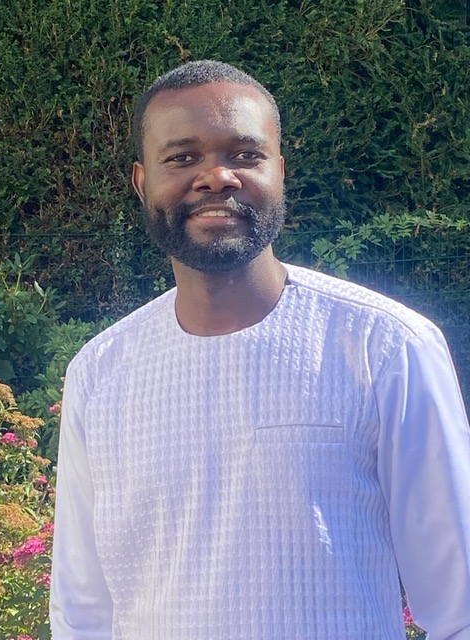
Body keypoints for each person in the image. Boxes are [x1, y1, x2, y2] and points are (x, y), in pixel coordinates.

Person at [50, 60, 470, 639]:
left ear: (280, 172)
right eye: (182, 157)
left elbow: (461, 602)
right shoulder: (99, 373)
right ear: (142, 183)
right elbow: (82, 611)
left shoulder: (384, 347)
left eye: (245, 155)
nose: (216, 177)